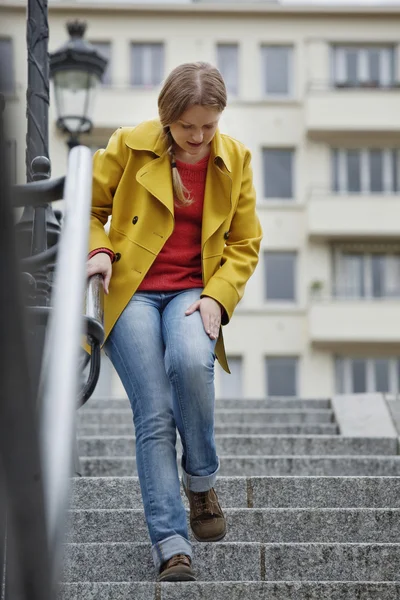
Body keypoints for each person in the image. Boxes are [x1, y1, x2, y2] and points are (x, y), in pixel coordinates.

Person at [86, 61, 262, 582]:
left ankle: (201, 481)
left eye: (209, 125)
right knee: (155, 413)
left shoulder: (235, 159)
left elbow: (244, 243)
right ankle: (170, 540)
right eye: (188, 126)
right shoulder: (128, 145)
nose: (198, 136)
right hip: (132, 290)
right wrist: (98, 249)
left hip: (193, 291)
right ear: (167, 118)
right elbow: (87, 209)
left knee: (190, 362)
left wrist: (218, 296)